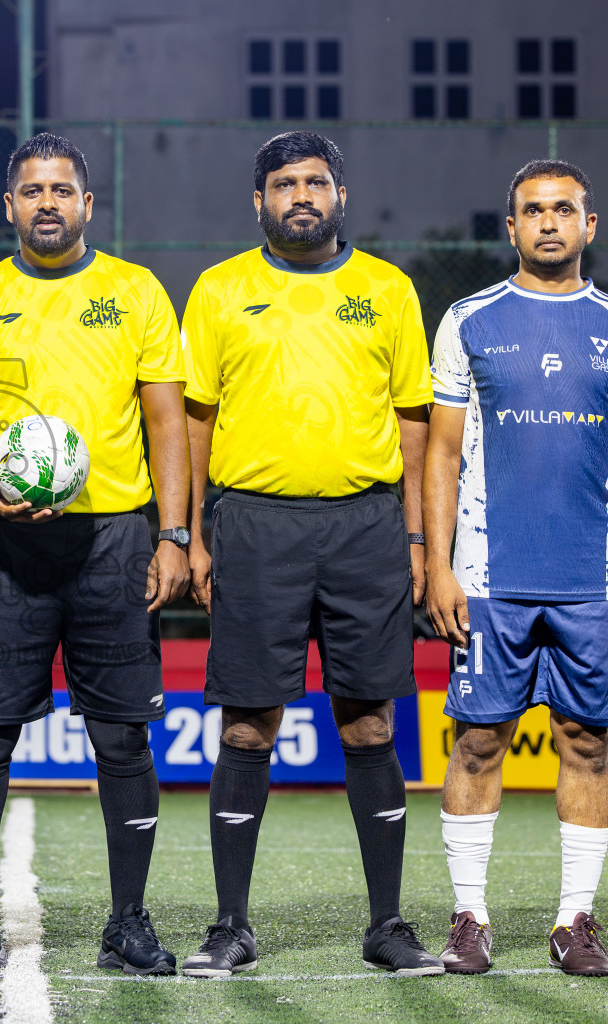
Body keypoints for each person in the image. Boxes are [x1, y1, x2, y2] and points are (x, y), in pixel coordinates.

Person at [180, 131, 443, 978]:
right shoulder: (220, 290)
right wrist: (190, 533)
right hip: (255, 526)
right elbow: (196, 421)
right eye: (285, 182)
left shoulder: (387, 289)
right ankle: (230, 926)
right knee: (249, 722)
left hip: (367, 529)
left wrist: (414, 539)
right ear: (258, 200)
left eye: (316, 181)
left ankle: (389, 925)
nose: (302, 194)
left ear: (340, 195)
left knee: (369, 720)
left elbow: (414, 424)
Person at [0, 133, 191, 977]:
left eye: (63, 189)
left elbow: (165, 421)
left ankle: (130, 922)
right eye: (32, 190)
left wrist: (176, 534)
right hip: (3, 542)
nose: (48, 202)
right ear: (9, 206)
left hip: (112, 539)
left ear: (87, 203)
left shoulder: (136, 292)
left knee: (122, 738)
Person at [424, 159, 608, 977]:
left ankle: (574, 922)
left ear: (589, 225)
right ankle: (469, 920)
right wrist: (437, 565)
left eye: (564, 209)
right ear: (510, 228)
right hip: (490, 578)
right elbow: (438, 453)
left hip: (595, 579)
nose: (548, 223)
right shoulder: (469, 319)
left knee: (586, 744)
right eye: (532, 210)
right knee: (476, 743)